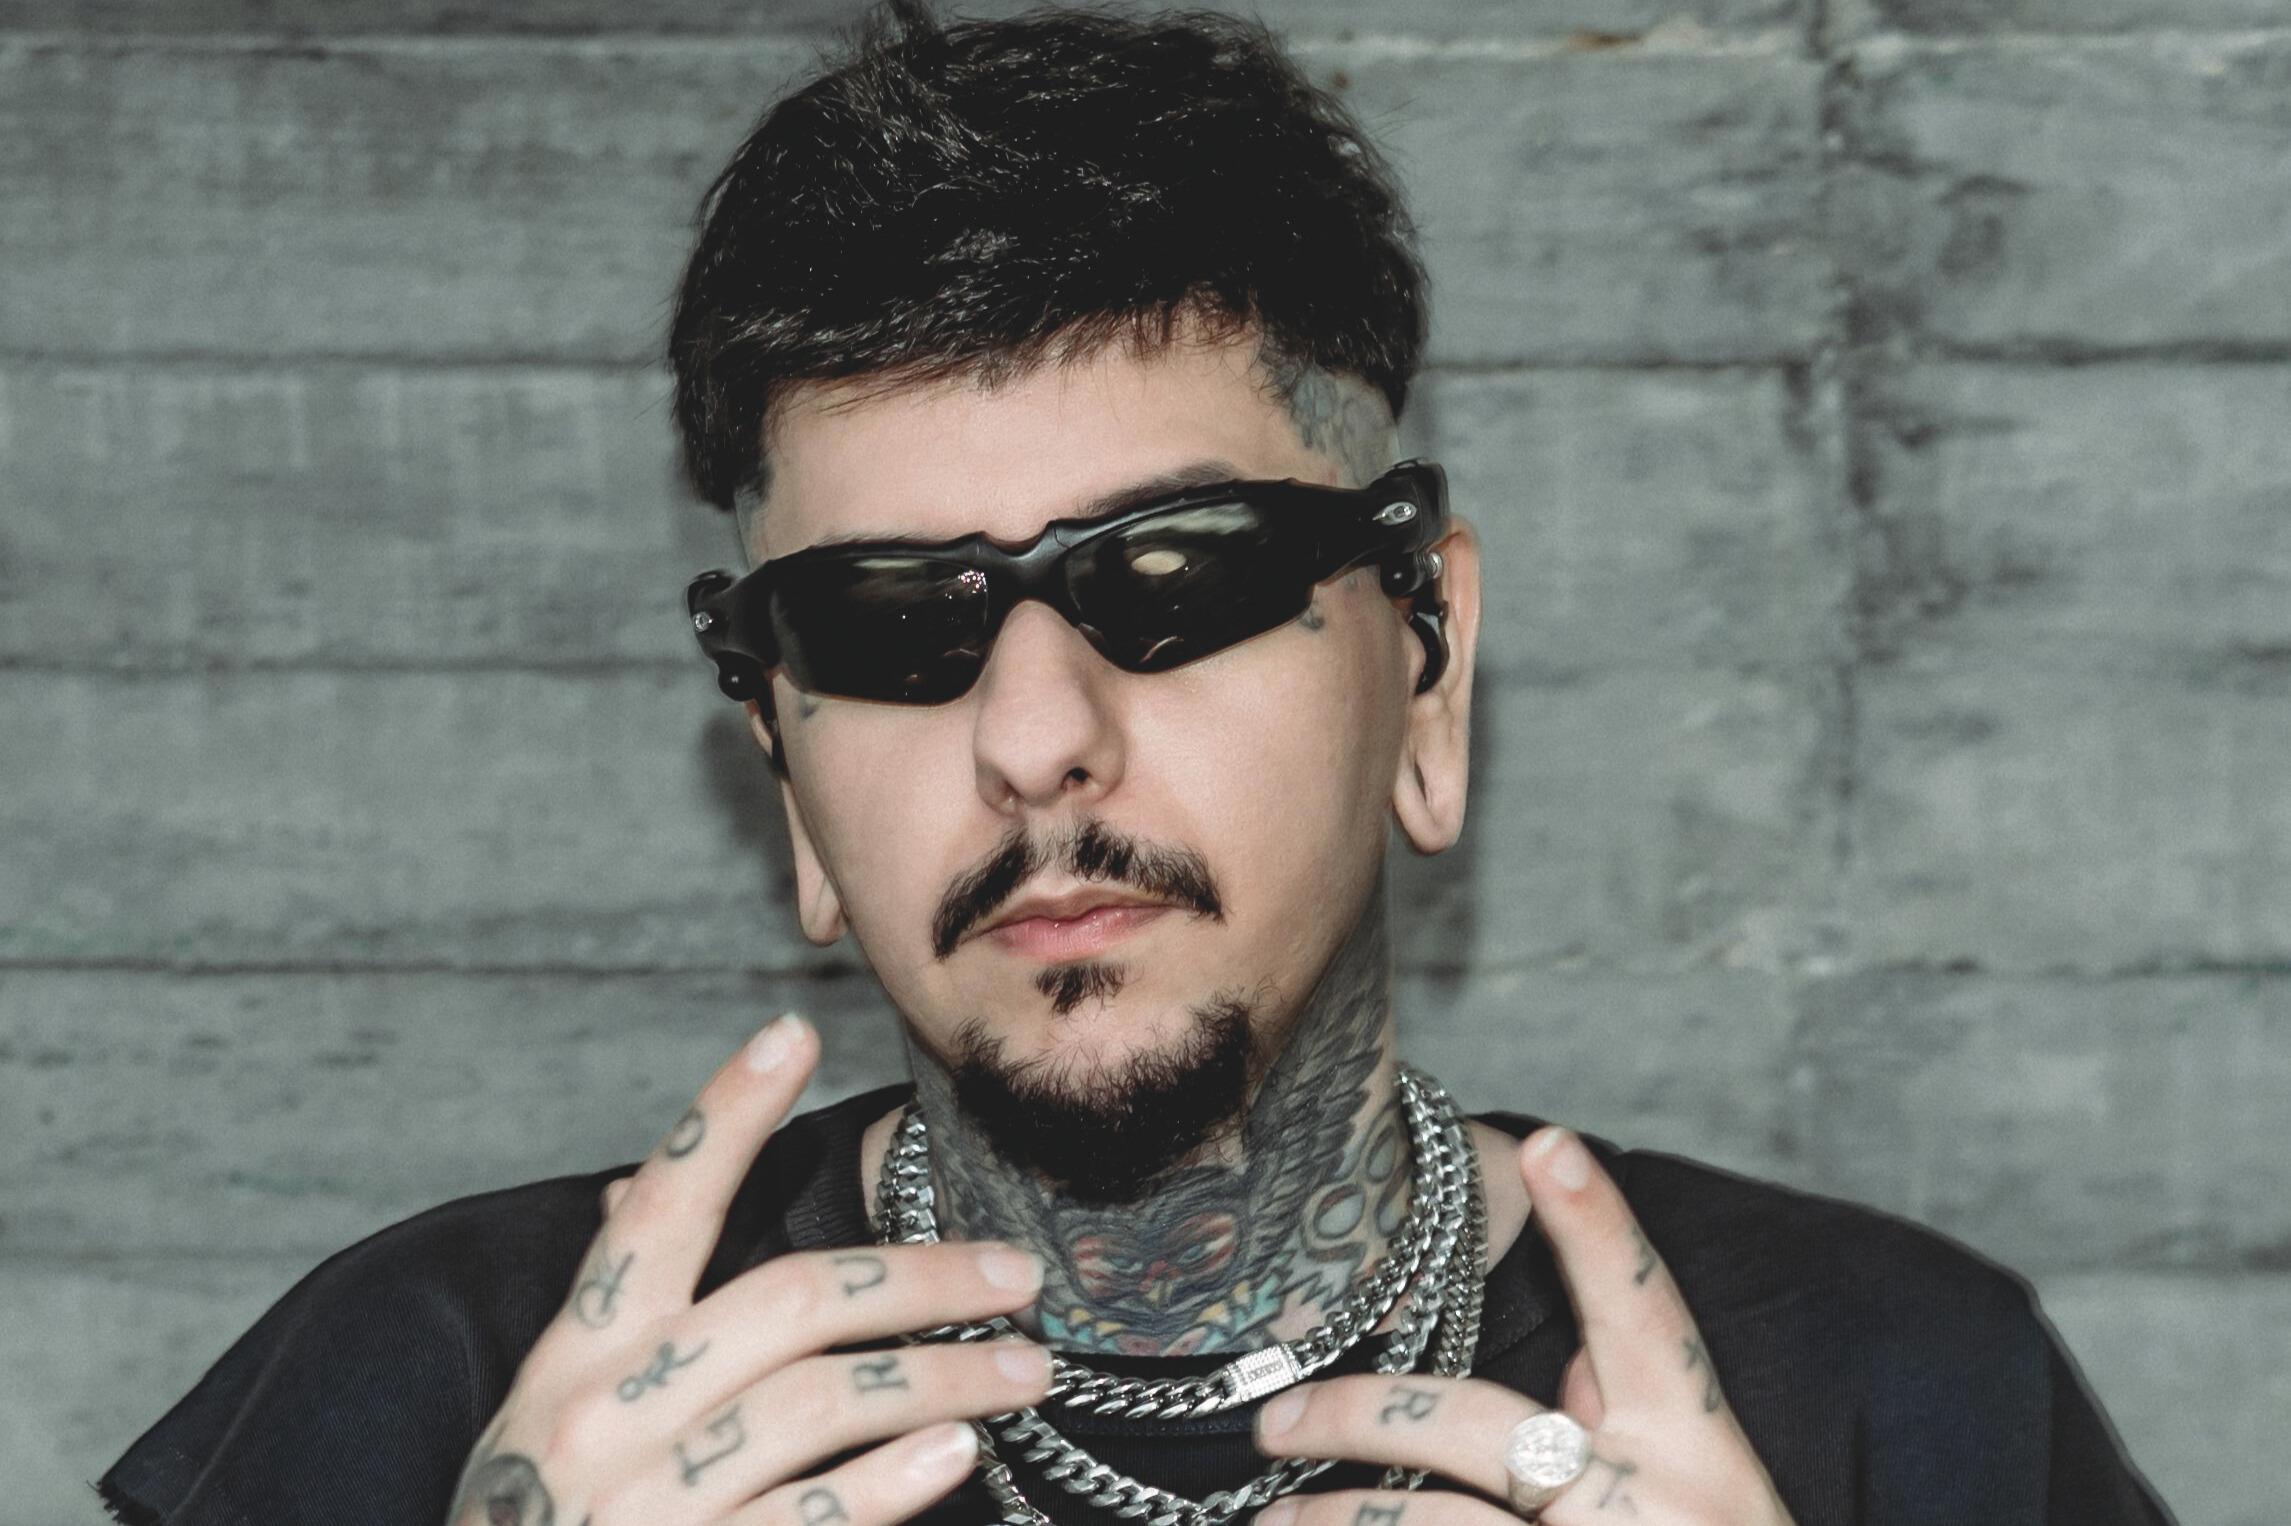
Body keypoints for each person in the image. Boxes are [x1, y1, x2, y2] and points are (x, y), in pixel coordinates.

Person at [99, 5, 2173, 1526]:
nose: (1034, 737)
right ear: (783, 768)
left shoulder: (1896, 1397)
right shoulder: (439, 1388)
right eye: (888, 625)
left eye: (1174, 579)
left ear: (1427, 663)